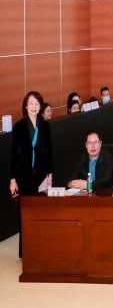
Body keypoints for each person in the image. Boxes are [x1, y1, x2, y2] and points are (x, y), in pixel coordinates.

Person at [9, 91, 54, 239]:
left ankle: (39, 244)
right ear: (26, 106)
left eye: (37, 104)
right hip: (24, 177)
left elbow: (49, 152)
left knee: (41, 212)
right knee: (26, 214)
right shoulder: (19, 126)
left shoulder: (45, 126)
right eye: (31, 103)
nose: (34, 107)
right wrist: (12, 179)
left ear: (40, 106)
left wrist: (50, 174)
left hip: (41, 176)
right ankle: (25, 248)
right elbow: (14, 155)